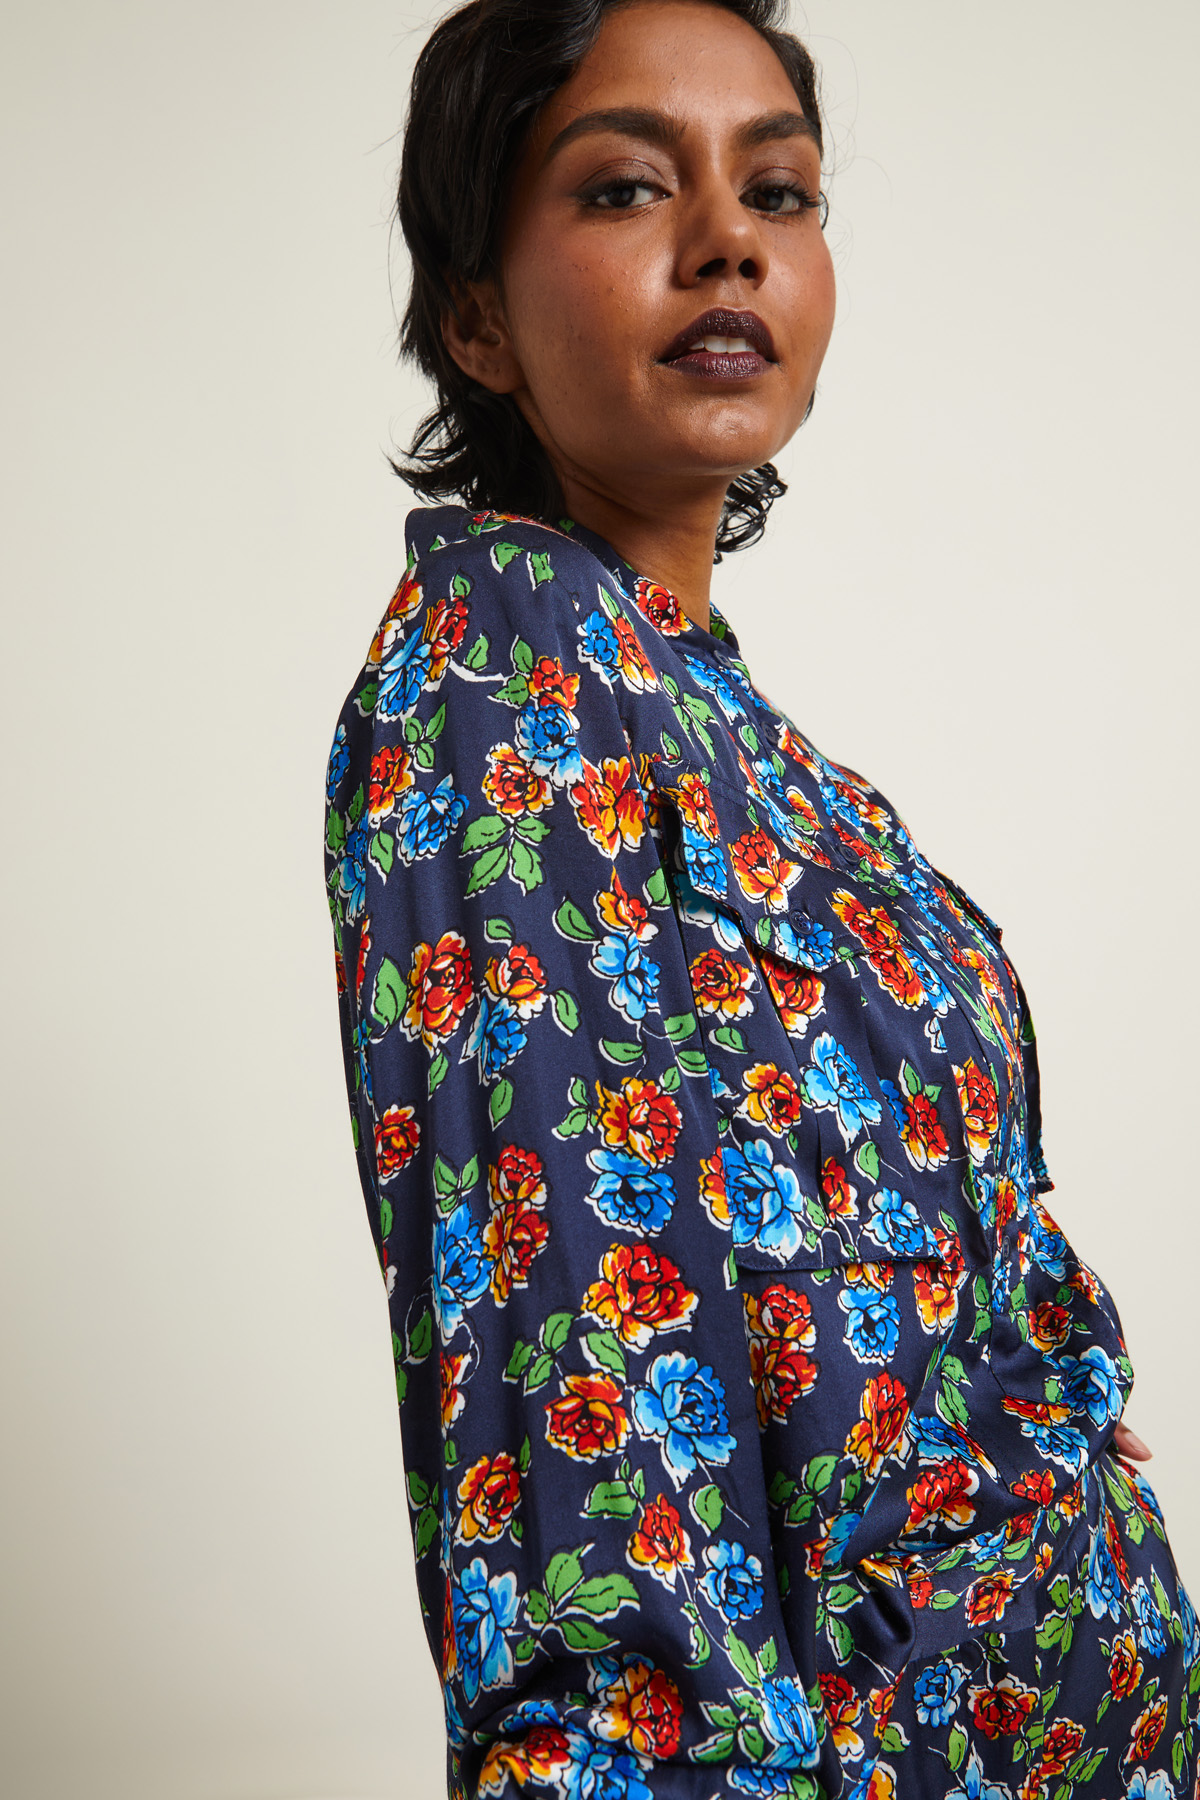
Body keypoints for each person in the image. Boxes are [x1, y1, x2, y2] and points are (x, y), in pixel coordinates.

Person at [323, 3, 1200, 1796]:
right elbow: (585, 1425)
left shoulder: (729, 723)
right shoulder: (511, 673)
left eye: (780, 190)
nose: (729, 240)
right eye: (627, 186)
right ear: (476, 317)